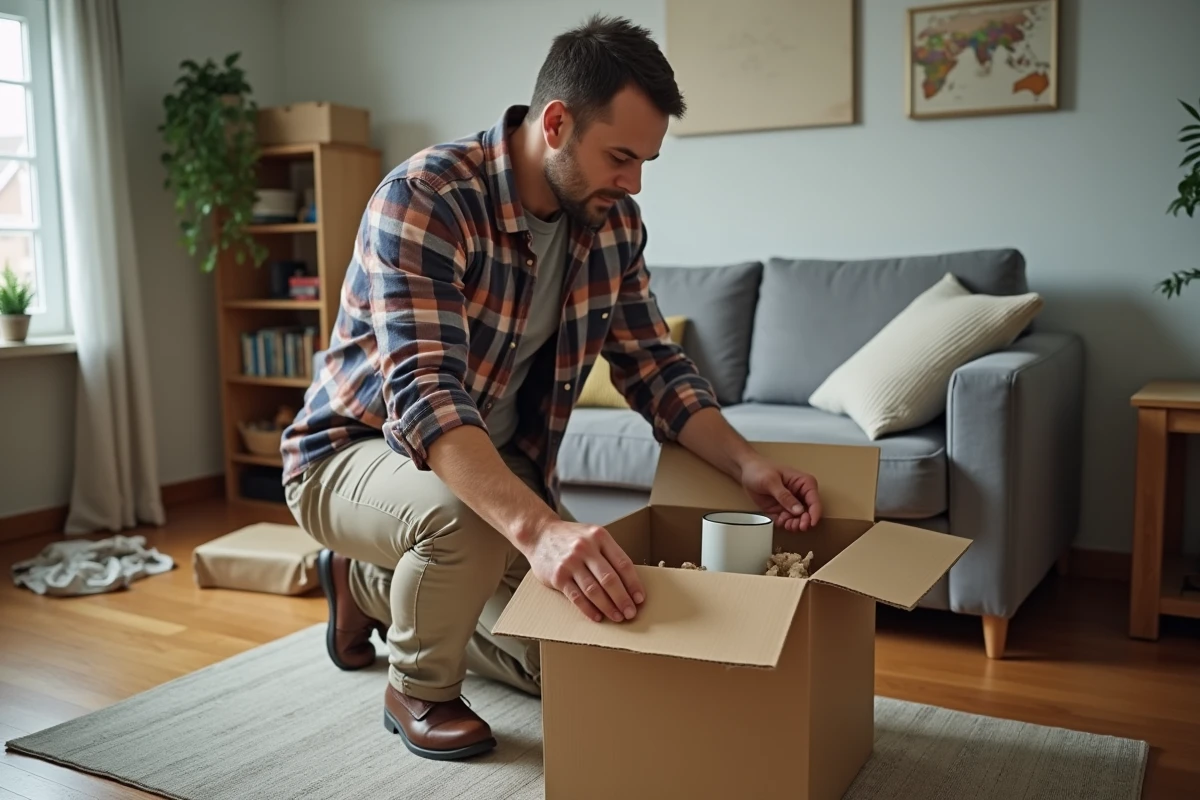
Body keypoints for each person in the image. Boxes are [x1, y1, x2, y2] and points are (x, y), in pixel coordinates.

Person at [280, 13, 822, 762]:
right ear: (558, 123)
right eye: (621, 157)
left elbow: (655, 368)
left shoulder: (613, 225)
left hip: (498, 470)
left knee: (584, 654)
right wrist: (538, 531)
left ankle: (370, 588)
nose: (633, 183)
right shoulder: (426, 199)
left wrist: (748, 463)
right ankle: (418, 689)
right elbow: (429, 398)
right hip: (355, 455)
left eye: (646, 163)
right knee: (464, 525)